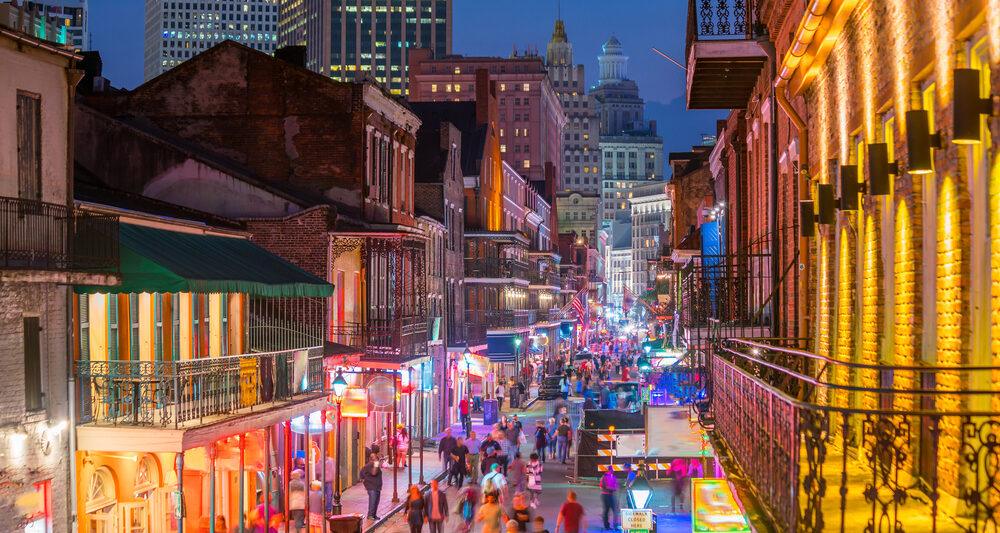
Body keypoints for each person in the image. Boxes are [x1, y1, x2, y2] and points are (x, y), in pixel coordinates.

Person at [360, 453, 383, 520]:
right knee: (373, 501)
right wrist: (376, 463)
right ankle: (370, 515)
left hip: (376, 487)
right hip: (372, 487)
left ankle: (373, 514)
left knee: (376, 501)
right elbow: (374, 473)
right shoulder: (370, 465)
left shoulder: (369, 465)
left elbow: (361, 474)